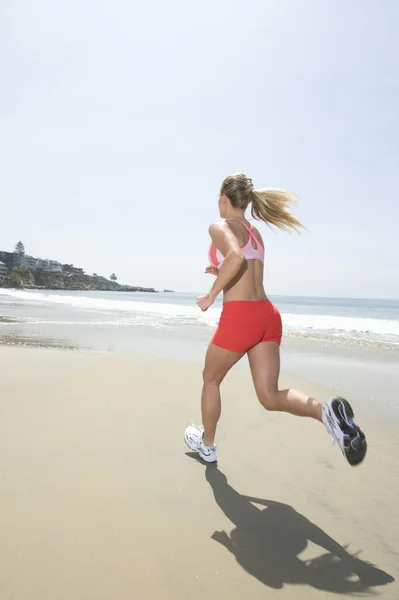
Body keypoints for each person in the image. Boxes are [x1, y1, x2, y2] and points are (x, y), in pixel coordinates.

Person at [184, 172, 367, 466]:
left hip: (241, 318)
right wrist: (221, 274)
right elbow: (246, 268)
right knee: (269, 396)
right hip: (267, 316)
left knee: (210, 379)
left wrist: (210, 294)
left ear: (223, 199)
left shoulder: (219, 226)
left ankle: (208, 447)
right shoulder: (254, 233)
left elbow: (236, 258)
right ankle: (326, 413)